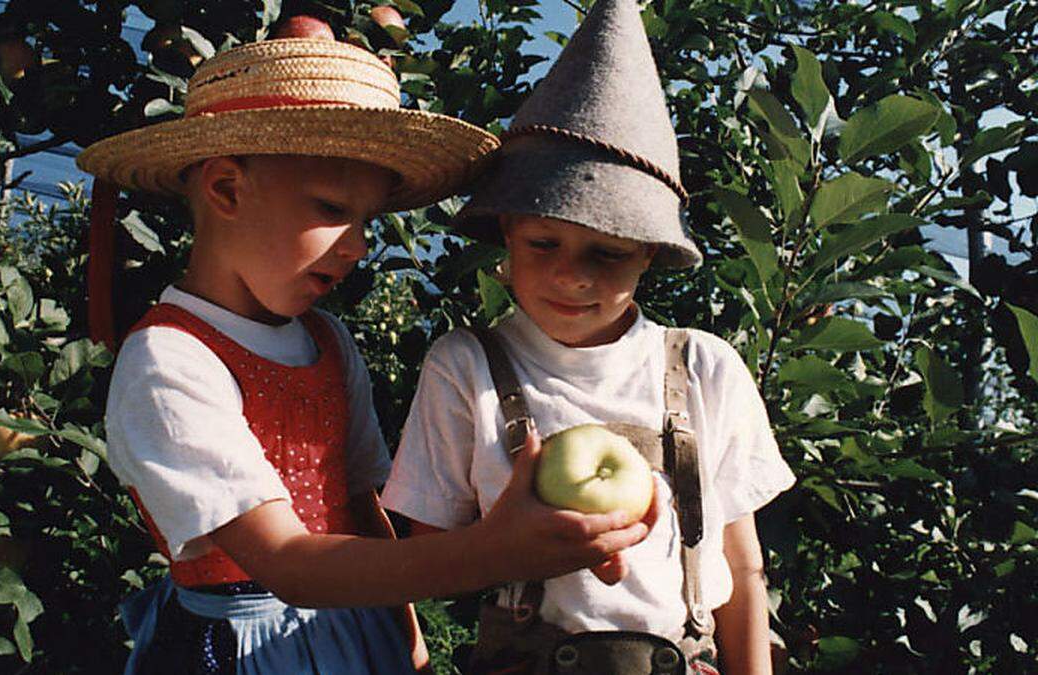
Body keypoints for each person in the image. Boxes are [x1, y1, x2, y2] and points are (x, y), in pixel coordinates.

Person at [75, 34, 653, 675]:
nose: (355, 246)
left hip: (358, 627)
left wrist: (408, 638)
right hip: (244, 650)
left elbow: (359, 508)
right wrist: (496, 552)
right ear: (227, 190)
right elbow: (288, 565)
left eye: (367, 222)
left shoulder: (325, 341)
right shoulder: (169, 361)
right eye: (330, 209)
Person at [380, 1, 796, 673]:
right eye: (545, 241)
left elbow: (741, 567)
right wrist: (506, 547)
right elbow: (422, 560)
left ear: (651, 255)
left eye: (607, 252)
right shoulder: (468, 367)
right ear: (507, 232)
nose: (571, 274)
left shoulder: (704, 370)